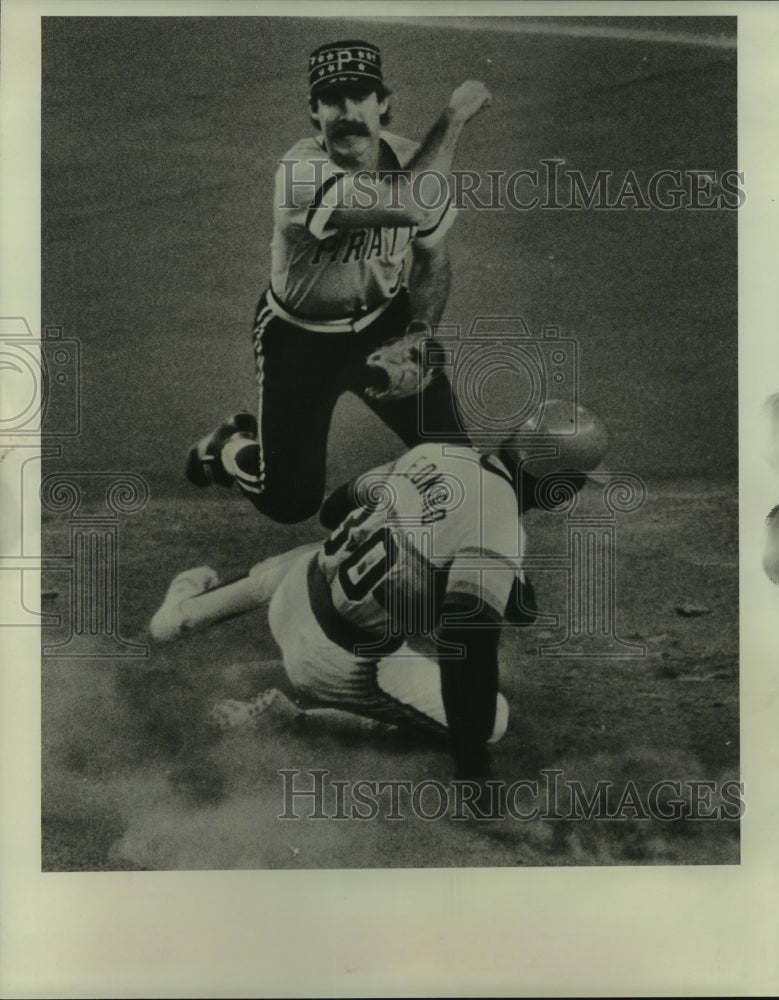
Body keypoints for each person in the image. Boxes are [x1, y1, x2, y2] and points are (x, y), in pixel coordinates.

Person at [155, 401, 608, 787]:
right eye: (577, 482)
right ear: (559, 487)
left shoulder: (438, 453)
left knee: (323, 556)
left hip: (289, 595)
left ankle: (177, 617)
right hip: (329, 664)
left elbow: (334, 510)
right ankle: (296, 722)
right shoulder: (501, 526)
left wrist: (419, 522)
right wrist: (474, 770)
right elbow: (467, 648)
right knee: (492, 720)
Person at [185, 39, 492, 524]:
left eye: (361, 96)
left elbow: (432, 262)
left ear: (383, 103)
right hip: (299, 339)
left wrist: (418, 333)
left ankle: (372, 508)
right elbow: (409, 204)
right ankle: (229, 446)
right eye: (332, 99)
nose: (348, 113)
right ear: (314, 111)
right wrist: (453, 117)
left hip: (384, 324)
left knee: (459, 469)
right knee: (290, 502)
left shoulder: (415, 159)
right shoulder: (300, 172)